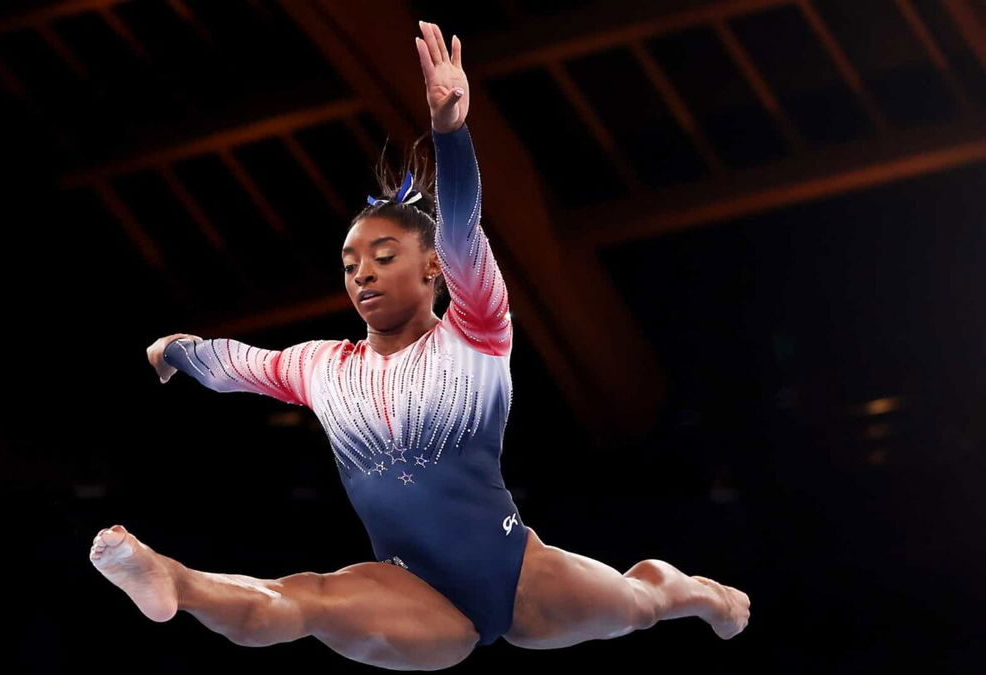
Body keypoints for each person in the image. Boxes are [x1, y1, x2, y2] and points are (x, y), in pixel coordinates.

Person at [91, 20, 749, 671]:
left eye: (382, 255)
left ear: (433, 267)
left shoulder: (478, 330)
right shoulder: (322, 366)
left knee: (639, 600)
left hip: (519, 574)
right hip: (411, 589)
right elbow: (233, 363)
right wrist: (175, 349)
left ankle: (697, 592)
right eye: (350, 265)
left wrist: (451, 132)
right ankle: (170, 577)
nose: (363, 274)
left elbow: (461, 225)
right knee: (306, 600)